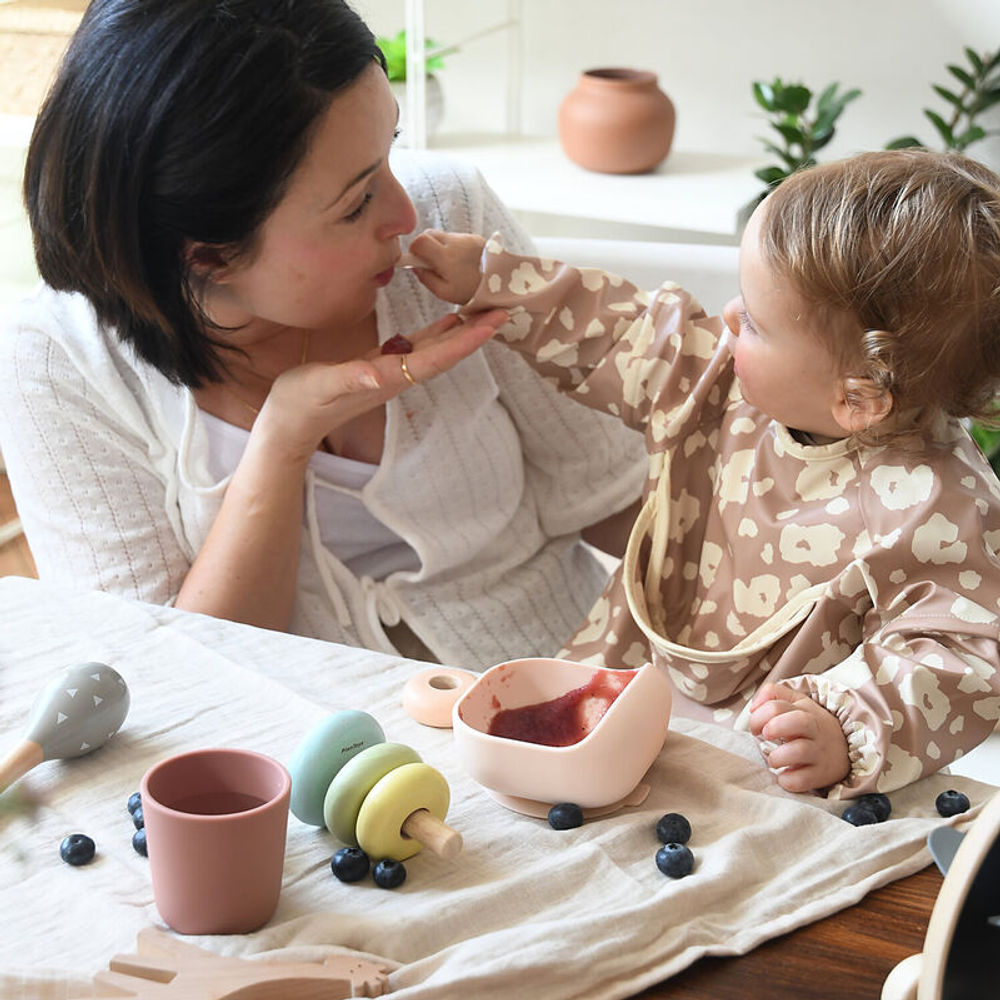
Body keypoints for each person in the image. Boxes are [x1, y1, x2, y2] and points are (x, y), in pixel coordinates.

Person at [0, 0, 646, 670]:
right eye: (357, 202)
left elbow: (615, 495)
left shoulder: (452, 216)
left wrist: (755, 627)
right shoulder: (54, 362)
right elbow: (167, 684)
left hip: (571, 694)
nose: (405, 212)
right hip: (301, 765)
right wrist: (285, 438)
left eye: (391, 148)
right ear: (209, 255)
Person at [408, 148, 1000, 798]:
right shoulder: (716, 379)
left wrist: (845, 725)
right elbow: (618, 332)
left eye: (756, 319)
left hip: (759, 773)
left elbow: (960, 657)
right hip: (611, 701)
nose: (727, 319)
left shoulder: (942, 510)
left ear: (856, 399)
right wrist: (495, 279)